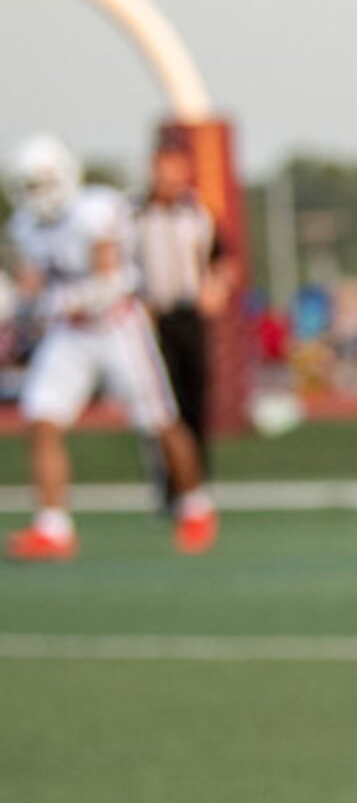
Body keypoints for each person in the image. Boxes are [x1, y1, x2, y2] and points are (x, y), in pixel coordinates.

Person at [6, 133, 218, 559]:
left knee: (159, 419)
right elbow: (32, 282)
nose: (39, 196)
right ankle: (53, 526)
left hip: (117, 324)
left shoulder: (95, 210)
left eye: (44, 184)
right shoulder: (24, 227)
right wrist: (24, 301)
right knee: (41, 418)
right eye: (31, 187)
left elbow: (107, 279)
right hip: (71, 332)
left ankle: (195, 506)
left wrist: (54, 301)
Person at [134, 135, 235, 500]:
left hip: (189, 315)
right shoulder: (135, 216)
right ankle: (168, 487)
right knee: (160, 406)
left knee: (194, 399)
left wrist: (216, 289)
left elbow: (221, 260)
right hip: (150, 319)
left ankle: (198, 485)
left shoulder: (197, 213)